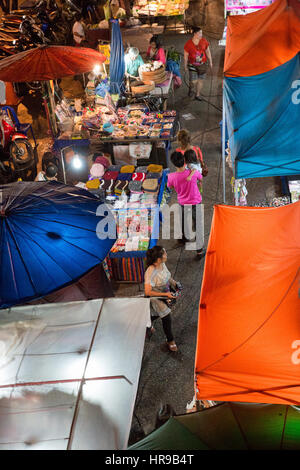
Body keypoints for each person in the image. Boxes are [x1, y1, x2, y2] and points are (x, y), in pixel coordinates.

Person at [168, 151, 205, 258]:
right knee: (197, 225)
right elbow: (200, 178)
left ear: (174, 164)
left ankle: (183, 239)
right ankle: (199, 251)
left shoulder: (171, 177)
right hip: (196, 202)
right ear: (184, 161)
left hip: (182, 203)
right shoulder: (193, 173)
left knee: (183, 222)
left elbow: (170, 187)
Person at [144, 246, 179, 352]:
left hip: (166, 293)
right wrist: (165, 295)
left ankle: (146, 324)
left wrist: (175, 284)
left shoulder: (162, 264)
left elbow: (168, 277)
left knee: (154, 315)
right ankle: (170, 341)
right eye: (164, 254)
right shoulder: (150, 272)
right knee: (166, 317)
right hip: (156, 297)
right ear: (158, 259)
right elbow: (147, 292)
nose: (166, 255)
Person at [184, 27, 213, 100]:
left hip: (202, 64)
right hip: (192, 65)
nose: (201, 35)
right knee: (193, 81)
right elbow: (185, 56)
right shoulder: (188, 44)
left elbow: (208, 51)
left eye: (201, 33)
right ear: (195, 34)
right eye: (199, 33)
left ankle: (197, 94)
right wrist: (185, 66)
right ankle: (191, 89)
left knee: (201, 80)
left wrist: (210, 61)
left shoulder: (204, 41)